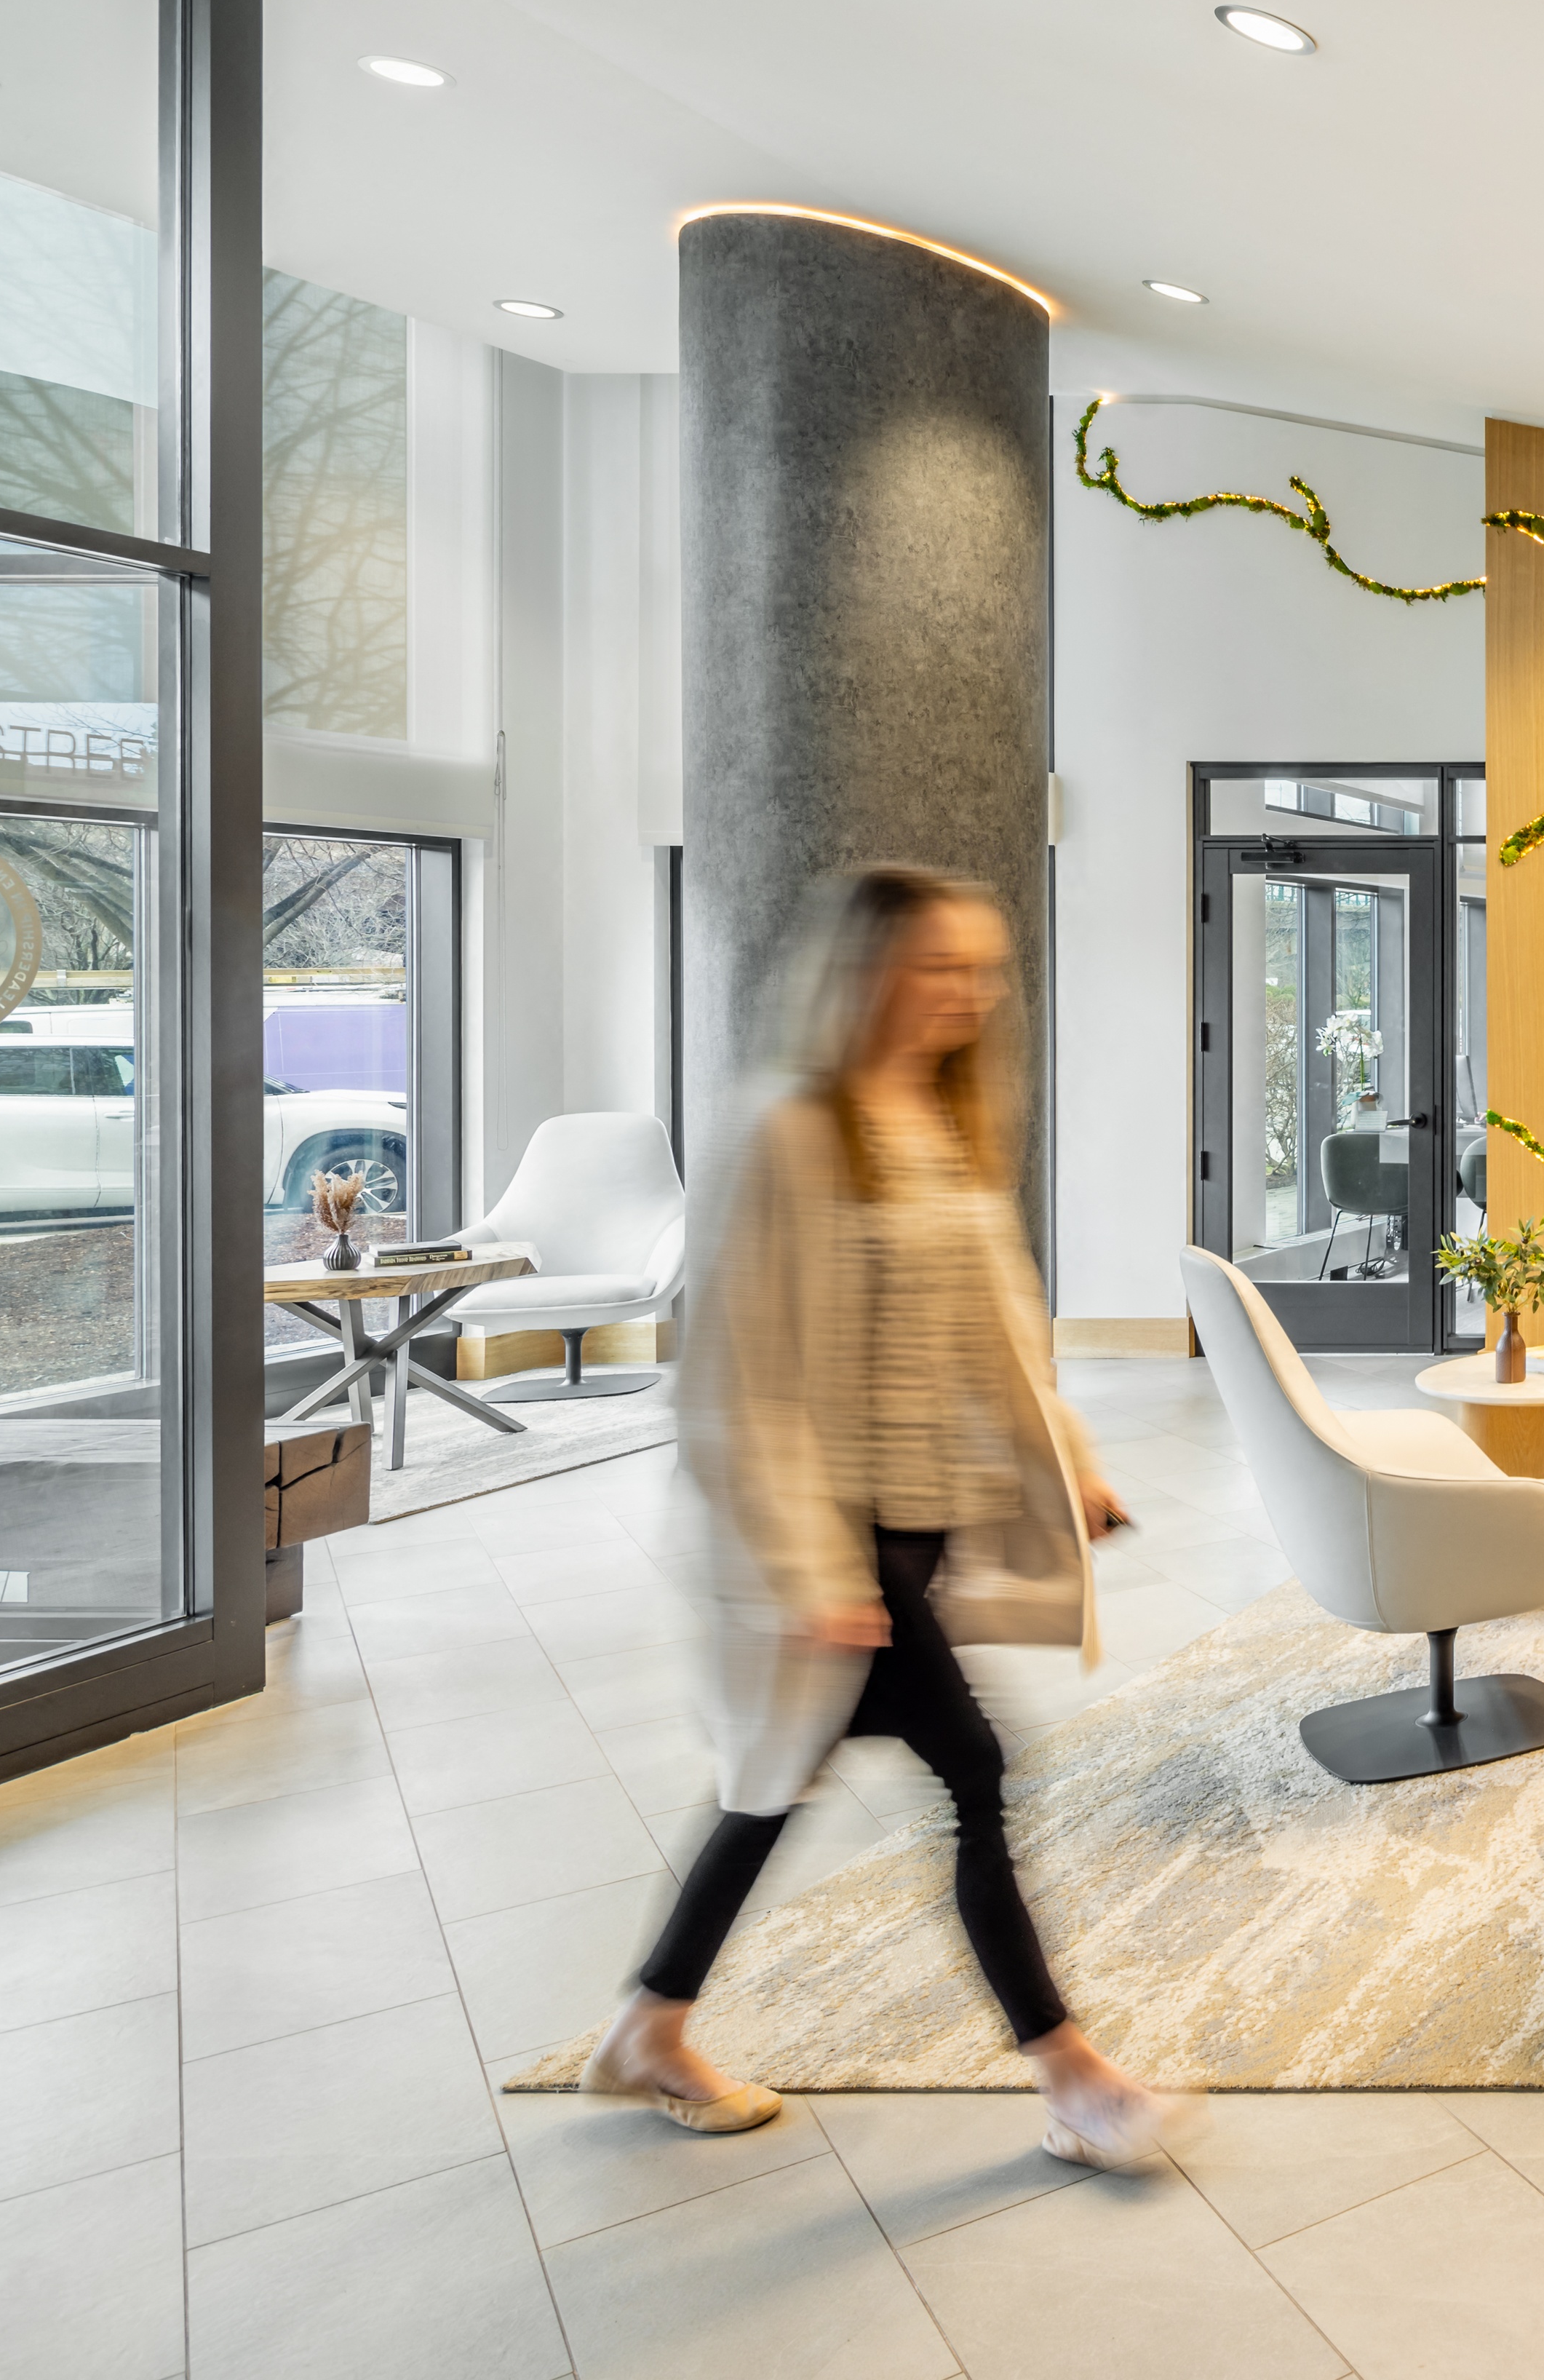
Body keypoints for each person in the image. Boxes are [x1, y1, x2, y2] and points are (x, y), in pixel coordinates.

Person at [584, 864, 1166, 2165]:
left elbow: (995, 1319)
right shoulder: (788, 1127)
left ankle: (650, 2024)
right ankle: (1072, 2076)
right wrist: (810, 1570)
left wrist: (1067, 1452)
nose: (971, 993)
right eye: (940, 966)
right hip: (832, 1539)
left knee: (777, 1781)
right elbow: (733, 1376)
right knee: (974, 1770)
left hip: (919, 1517)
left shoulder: (942, 1119)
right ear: (867, 975)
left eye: (983, 968)